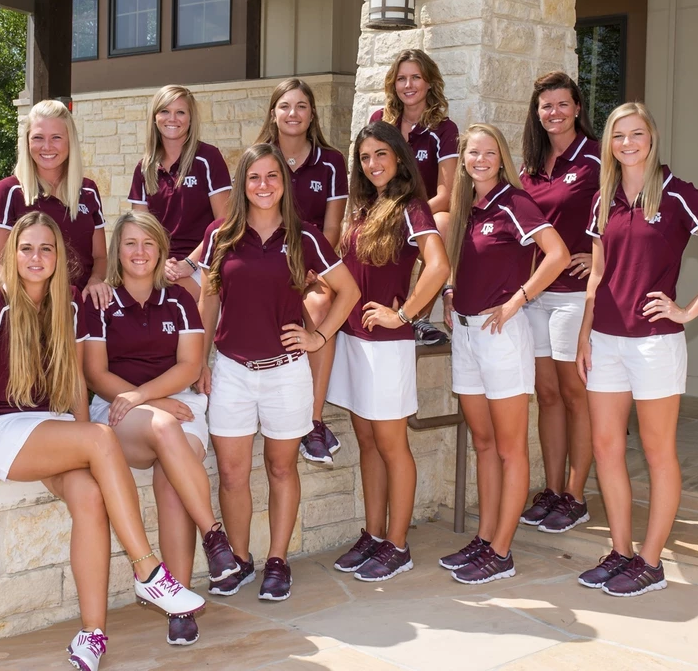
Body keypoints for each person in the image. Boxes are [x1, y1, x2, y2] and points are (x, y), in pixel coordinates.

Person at [0, 212, 205, 671]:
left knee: (90, 496)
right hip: (2, 430)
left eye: (46, 249)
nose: (36, 257)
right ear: (12, 254)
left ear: (59, 258)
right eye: (26, 248)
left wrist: (80, 435)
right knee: (100, 437)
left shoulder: (69, 304)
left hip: (50, 428)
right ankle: (148, 569)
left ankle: (92, 635)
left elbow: (73, 384)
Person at [576, 103, 698, 596]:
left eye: (637, 134)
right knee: (606, 449)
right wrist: (585, 334)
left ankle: (650, 561)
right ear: (609, 143)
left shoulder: (678, 194)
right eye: (618, 135)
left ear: (652, 138)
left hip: (654, 345)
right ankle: (620, 551)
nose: (628, 143)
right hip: (605, 341)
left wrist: (687, 311)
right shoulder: (601, 197)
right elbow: (599, 274)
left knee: (656, 452)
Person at [197, 143, 360, 602]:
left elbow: (347, 292)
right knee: (231, 474)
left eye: (272, 176)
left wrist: (318, 338)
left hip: (286, 373)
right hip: (231, 370)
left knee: (281, 467)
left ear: (283, 184)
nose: (263, 185)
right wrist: (199, 363)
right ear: (242, 184)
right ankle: (240, 559)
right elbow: (209, 301)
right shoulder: (220, 235)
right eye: (254, 177)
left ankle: (278, 560)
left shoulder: (303, 237)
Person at [83, 211, 239, 647]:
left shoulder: (179, 299)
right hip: (119, 407)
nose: (139, 252)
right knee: (167, 428)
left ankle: (180, 604)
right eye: (130, 243)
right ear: (118, 250)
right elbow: (96, 374)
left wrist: (150, 396)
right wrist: (146, 399)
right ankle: (214, 536)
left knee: (174, 472)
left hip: (174, 400)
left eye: (148, 243)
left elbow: (191, 364)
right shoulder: (100, 302)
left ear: (161, 251)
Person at [438, 124, 569, 585]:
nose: (480, 160)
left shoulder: (515, 203)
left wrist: (519, 300)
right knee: (484, 443)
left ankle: (502, 551)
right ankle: (485, 537)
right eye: (472, 152)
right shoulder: (465, 208)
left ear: (501, 157)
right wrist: (451, 290)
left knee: (511, 449)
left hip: (503, 335)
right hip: (468, 335)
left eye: (489, 152)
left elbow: (556, 254)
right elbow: (460, 262)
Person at [326, 121, 448, 582]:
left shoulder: (411, 207)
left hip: (387, 345)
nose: (372, 164)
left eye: (381, 154)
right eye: (364, 157)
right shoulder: (364, 207)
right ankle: (374, 535)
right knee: (368, 442)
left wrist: (407, 315)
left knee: (393, 446)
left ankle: (398, 544)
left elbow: (438, 266)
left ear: (398, 157)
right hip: (354, 340)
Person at [517, 72, 603, 534]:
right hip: (535, 296)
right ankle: (551, 490)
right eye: (545, 106)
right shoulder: (531, 165)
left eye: (562, 104)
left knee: (575, 395)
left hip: (572, 298)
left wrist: (601, 256)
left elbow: (624, 210)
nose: (554, 112)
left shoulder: (594, 157)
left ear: (577, 108)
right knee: (546, 395)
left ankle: (575, 494)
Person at [254, 78, 349, 466]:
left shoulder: (331, 161)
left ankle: (312, 419)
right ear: (273, 113)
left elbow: (331, 228)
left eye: (301, 107)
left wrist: (309, 268)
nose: (293, 114)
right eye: (285, 106)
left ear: (312, 115)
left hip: (314, 261)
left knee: (322, 302)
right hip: (265, 260)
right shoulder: (259, 156)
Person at [0, 99, 112, 309]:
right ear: (27, 142)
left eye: (56, 138)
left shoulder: (88, 191)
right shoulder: (10, 191)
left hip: (79, 309)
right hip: (29, 310)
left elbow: (99, 257)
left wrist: (96, 280)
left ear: (70, 141)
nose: (47, 146)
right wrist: (18, 296)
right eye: (38, 138)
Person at [370, 49, 458, 346]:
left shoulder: (444, 130)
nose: (408, 85)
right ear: (393, 85)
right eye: (401, 79)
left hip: (421, 216)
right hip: (379, 213)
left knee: (444, 223)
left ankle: (416, 319)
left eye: (416, 78)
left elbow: (446, 196)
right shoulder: (380, 122)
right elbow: (365, 176)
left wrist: (405, 219)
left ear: (429, 82)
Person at [129, 85, 231, 298]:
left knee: (174, 295)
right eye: (165, 111)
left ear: (191, 118)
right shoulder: (144, 168)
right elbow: (140, 229)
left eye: (180, 112)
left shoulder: (208, 158)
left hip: (203, 260)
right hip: (159, 262)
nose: (172, 118)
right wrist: (159, 262)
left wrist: (189, 264)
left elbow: (225, 223)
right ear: (155, 118)